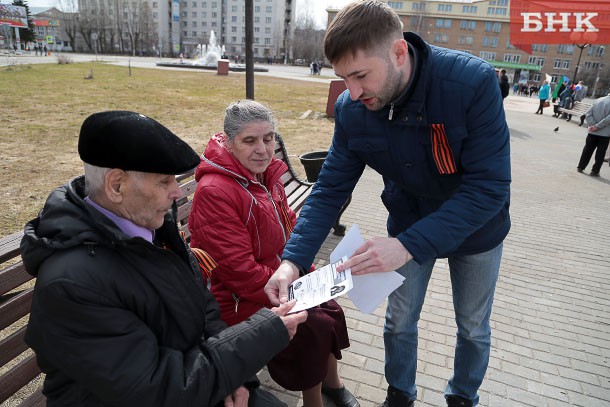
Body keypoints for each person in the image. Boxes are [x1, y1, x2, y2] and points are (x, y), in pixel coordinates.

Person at [264, 1, 511, 406]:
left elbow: (489, 189)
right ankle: (400, 393)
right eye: (344, 78)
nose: (353, 92)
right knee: (398, 322)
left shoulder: (470, 84)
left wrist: (405, 246)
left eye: (361, 76)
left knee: (472, 326)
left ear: (399, 53)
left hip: (476, 230)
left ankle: (463, 395)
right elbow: (329, 190)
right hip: (408, 222)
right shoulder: (353, 110)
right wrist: (292, 261)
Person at [21, 110, 308, 407]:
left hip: (195, 375)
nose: (175, 192)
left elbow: (204, 309)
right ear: (116, 185)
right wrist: (259, 337)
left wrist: (237, 378)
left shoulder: (149, 229)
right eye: (163, 181)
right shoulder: (72, 285)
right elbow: (154, 388)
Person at [188, 100, 359, 407]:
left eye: (268, 139)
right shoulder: (216, 191)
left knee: (330, 306)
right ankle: (313, 402)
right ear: (229, 142)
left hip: (273, 278)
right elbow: (238, 272)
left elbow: (291, 228)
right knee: (312, 322)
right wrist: (296, 286)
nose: (263, 150)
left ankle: (332, 384)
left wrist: (305, 270)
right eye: (249, 141)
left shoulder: (264, 177)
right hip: (236, 298)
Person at [577, 94, 610, 177]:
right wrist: (597, 126)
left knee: (587, 149)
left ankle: (581, 166)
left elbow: (588, 113)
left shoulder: (598, 100)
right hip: (605, 133)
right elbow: (608, 119)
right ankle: (595, 171)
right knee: (600, 153)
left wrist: (593, 125)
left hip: (592, 131)